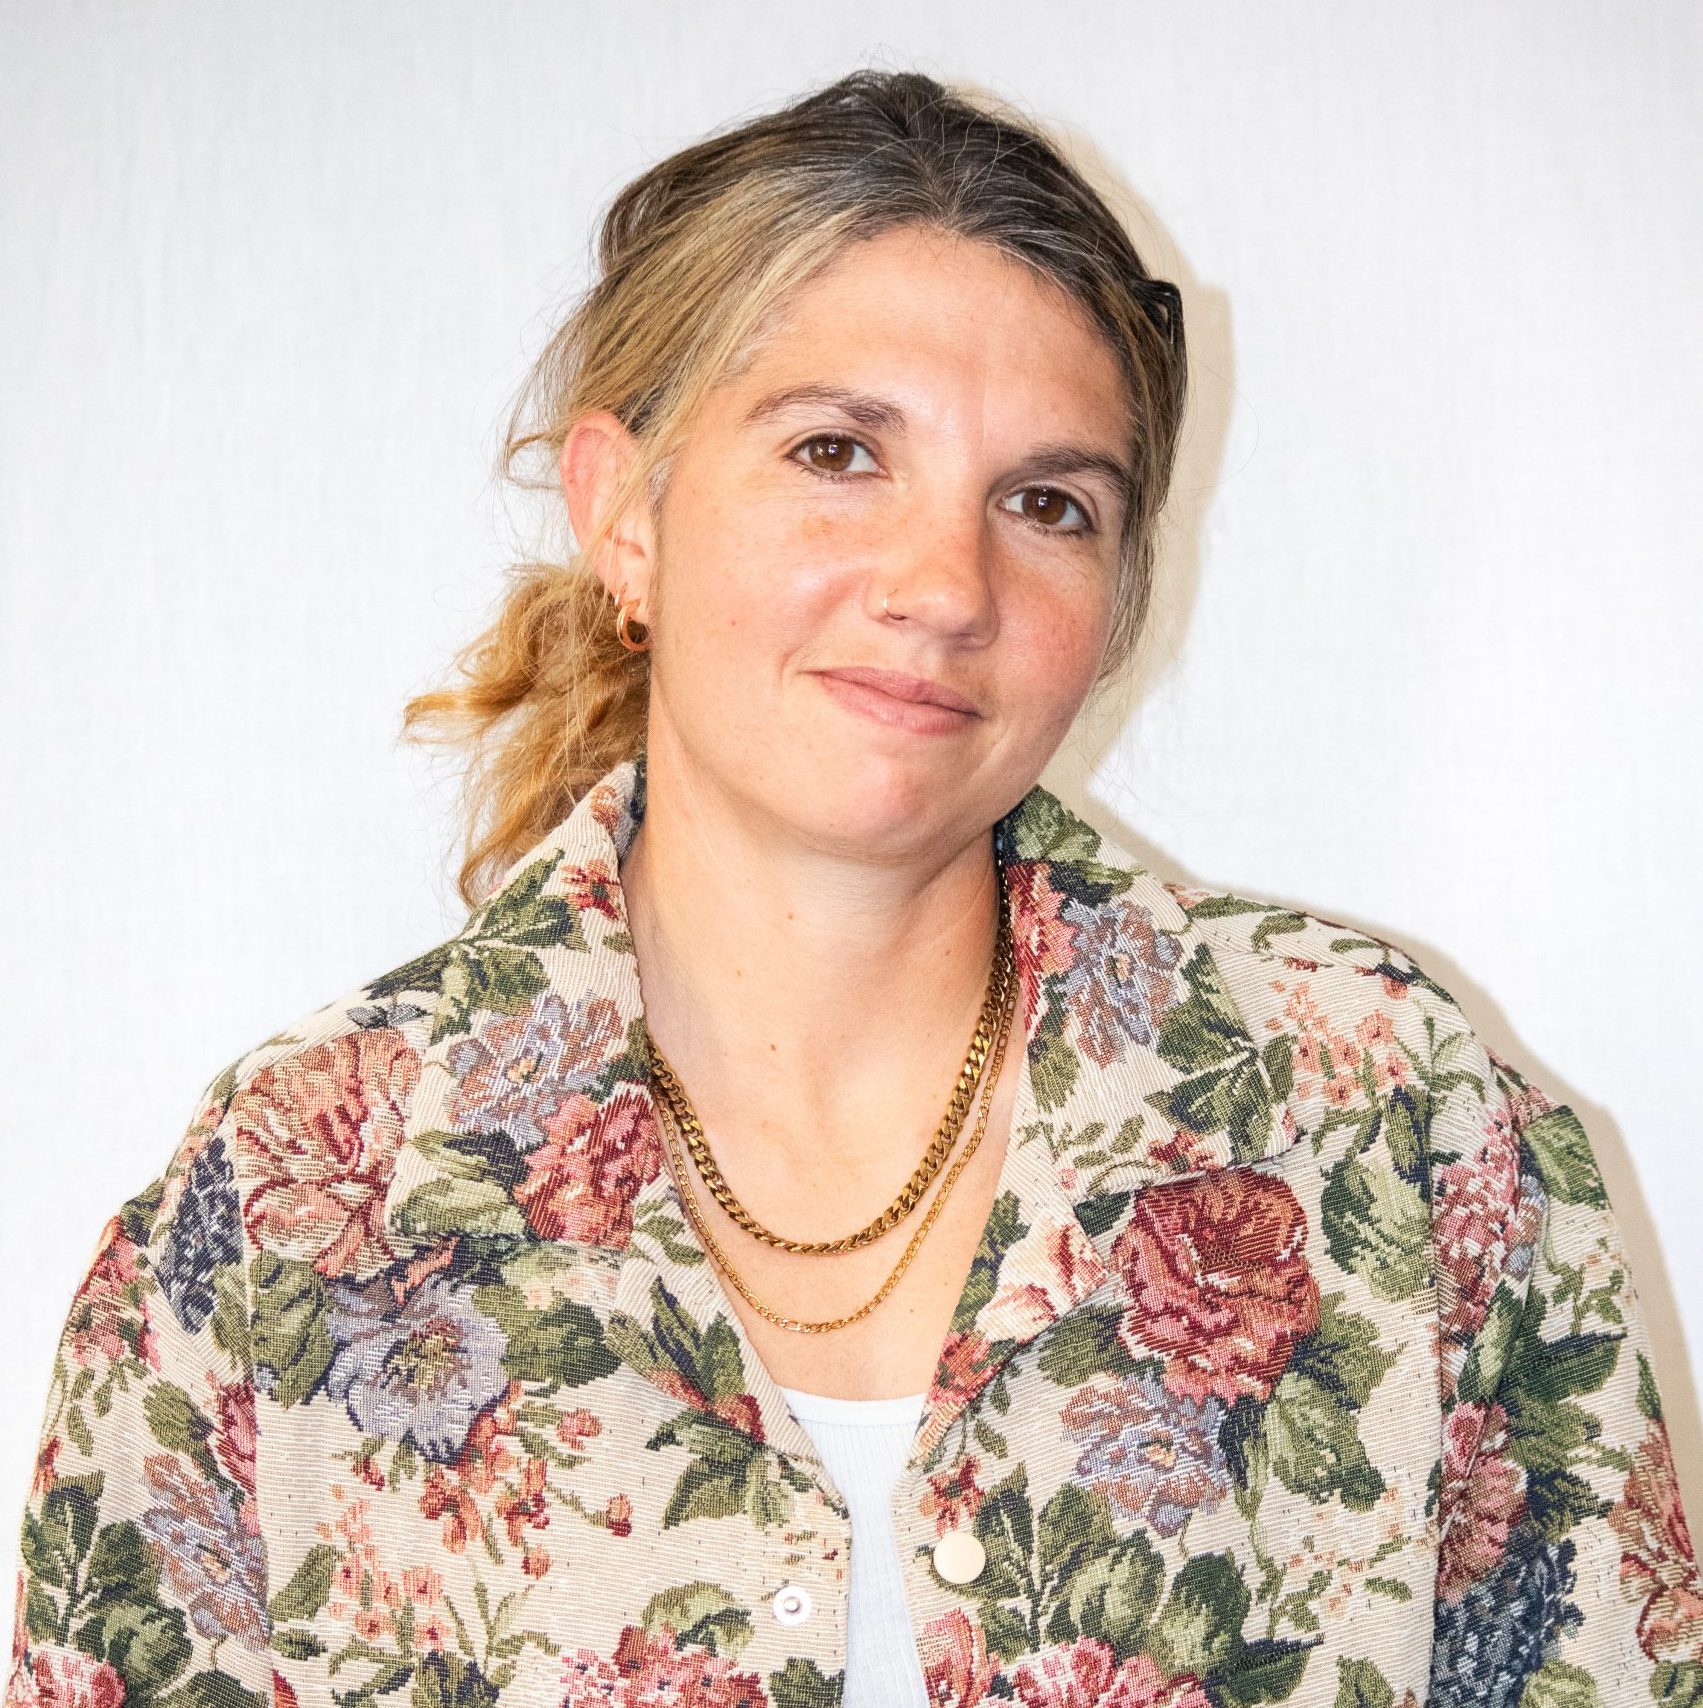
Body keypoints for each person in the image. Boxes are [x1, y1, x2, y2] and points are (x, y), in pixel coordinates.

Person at [5, 66, 1698, 1708]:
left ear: (1110, 612)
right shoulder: (288, 1215)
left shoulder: (1404, 1130)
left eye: (1045, 503)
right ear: (625, 512)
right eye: (837, 452)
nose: (942, 584)